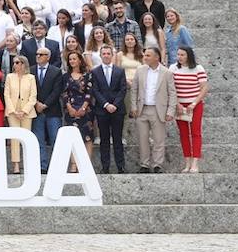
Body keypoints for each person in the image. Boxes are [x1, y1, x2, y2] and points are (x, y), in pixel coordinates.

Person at [133, 45, 179, 174]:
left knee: (159, 139)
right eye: (144, 55)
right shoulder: (140, 70)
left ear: (156, 57)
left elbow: (172, 93)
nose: (145, 57)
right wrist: (134, 107)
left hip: (158, 110)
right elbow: (134, 90)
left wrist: (170, 111)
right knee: (143, 139)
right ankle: (144, 164)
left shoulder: (167, 72)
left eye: (148, 55)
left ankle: (158, 164)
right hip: (142, 109)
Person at [90, 44, 129, 174]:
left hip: (117, 110)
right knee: (104, 140)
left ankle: (120, 166)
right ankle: (105, 166)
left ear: (112, 55)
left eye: (108, 53)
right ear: (100, 56)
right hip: (102, 110)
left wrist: (115, 105)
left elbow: (123, 89)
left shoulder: (120, 71)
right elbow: (95, 90)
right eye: (104, 54)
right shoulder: (95, 72)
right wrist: (106, 104)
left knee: (117, 139)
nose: (106, 56)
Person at [172, 46, 209, 173]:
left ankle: (195, 163)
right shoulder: (173, 68)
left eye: (182, 55)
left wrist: (194, 103)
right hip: (179, 105)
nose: (179, 57)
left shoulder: (198, 68)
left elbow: (204, 88)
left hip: (195, 104)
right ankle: (187, 162)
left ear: (189, 55)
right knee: (183, 134)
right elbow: (171, 88)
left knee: (195, 132)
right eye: (178, 55)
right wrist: (177, 103)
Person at [3, 54, 38, 174]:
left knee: (26, 138)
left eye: (17, 62)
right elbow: (6, 95)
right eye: (14, 63)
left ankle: (28, 163)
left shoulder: (31, 78)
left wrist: (24, 111)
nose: (15, 65)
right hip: (13, 111)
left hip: (26, 112)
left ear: (24, 64)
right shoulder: (9, 77)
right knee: (15, 138)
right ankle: (16, 165)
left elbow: (33, 96)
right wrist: (13, 110)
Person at [62, 51, 95, 169]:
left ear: (80, 60)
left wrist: (84, 107)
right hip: (70, 110)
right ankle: (74, 165)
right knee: (72, 138)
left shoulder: (88, 75)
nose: (72, 61)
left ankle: (86, 166)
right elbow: (64, 93)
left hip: (86, 110)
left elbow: (89, 92)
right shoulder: (65, 76)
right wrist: (69, 107)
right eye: (70, 59)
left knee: (87, 137)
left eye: (74, 59)